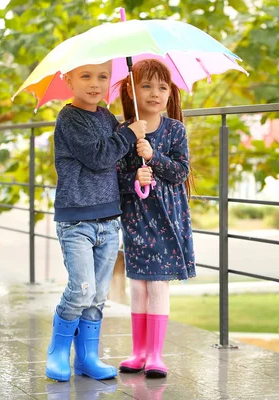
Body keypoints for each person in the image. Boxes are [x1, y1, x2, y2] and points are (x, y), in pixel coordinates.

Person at [46, 61, 147, 382]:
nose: (95, 83)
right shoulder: (70, 119)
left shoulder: (107, 117)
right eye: (85, 76)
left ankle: (87, 356)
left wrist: (137, 170)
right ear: (68, 80)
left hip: (108, 219)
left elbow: (115, 166)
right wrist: (129, 133)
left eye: (102, 77)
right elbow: (99, 156)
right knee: (81, 290)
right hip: (77, 221)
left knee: (98, 295)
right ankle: (58, 352)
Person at [116, 59, 196, 378]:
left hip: (167, 218)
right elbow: (117, 179)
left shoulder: (175, 130)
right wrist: (135, 176)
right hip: (137, 217)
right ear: (131, 90)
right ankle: (138, 351)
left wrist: (153, 157)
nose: (155, 93)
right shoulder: (124, 133)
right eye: (146, 86)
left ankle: (156, 355)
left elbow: (180, 173)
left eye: (162, 87)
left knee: (159, 283)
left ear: (170, 93)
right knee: (138, 283)